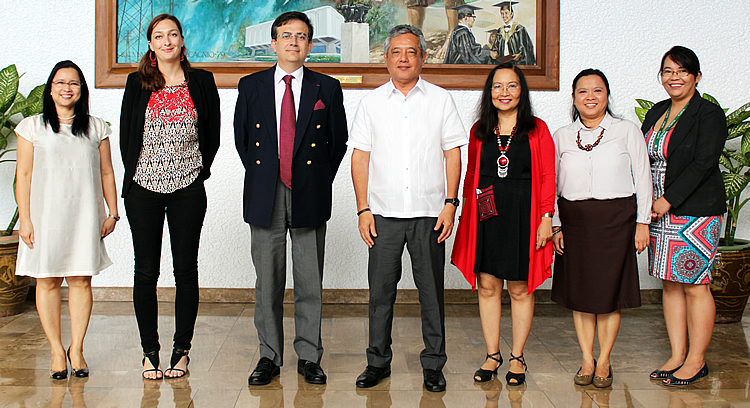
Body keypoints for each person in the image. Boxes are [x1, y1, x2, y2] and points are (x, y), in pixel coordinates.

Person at [349, 25, 467, 393]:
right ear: (385, 58)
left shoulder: (440, 99)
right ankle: (377, 362)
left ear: (422, 57)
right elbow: (361, 158)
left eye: (411, 52)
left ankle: (433, 364)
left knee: (432, 292)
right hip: (382, 213)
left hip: (430, 213)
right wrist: (362, 209)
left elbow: (452, 154)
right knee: (380, 291)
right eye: (396, 52)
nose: (403, 58)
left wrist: (450, 203)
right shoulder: (371, 102)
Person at [234, 11, 348, 386]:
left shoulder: (326, 88)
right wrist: (268, 174)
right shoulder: (250, 86)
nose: (294, 42)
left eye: (301, 36)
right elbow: (242, 141)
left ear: (310, 45)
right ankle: (269, 355)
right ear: (273, 42)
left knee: (308, 279)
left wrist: (315, 179)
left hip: (309, 192)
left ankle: (309, 356)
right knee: (267, 281)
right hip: (265, 192)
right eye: (286, 35)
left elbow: (338, 142)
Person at [120, 13, 220, 380]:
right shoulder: (136, 83)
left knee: (185, 270)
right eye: (158, 36)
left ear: (181, 41)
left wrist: (197, 173)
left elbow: (212, 133)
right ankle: (149, 352)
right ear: (150, 45)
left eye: (172, 34)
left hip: (187, 190)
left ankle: (181, 351)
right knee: (145, 270)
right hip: (143, 189)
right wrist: (133, 180)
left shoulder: (202, 82)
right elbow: (127, 137)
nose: (166, 41)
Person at [451, 62, 555, 386]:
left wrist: (546, 218)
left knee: (520, 288)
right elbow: (471, 175)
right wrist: (465, 214)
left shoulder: (537, 128)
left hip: (524, 215)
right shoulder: (479, 129)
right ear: (489, 92)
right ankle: (492, 354)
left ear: (521, 91)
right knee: (487, 285)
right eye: (498, 86)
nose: (504, 92)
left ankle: (517, 357)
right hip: (486, 216)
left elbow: (548, 176)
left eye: (511, 85)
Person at [15, 60, 118, 379]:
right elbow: (24, 175)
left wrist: (112, 212)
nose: (66, 88)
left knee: (80, 279)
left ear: (82, 90)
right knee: (46, 280)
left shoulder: (96, 126)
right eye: (60, 83)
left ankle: (77, 348)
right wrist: (26, 220)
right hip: (45, 216)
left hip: (84, 214)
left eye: (73, 83)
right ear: (51, 88)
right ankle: (57, 350)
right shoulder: (31, 127)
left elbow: (106, 171)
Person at [551, 69, 652, 388]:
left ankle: (605, 360)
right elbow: (550, 185)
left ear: (607, 96)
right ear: (573, 98)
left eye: (597, 91)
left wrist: (643, 222)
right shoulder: (563, 135)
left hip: (616, 221)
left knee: (609, 295)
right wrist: (555, 225)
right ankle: (586, 359)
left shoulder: (626, 131)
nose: (590, 97)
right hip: (574, 221)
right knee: (581, 295)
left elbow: (644, 177)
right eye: (583, 91)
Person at [642, 46, 726, 387]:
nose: (674, 77)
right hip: (657, 213)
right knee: (671, 284)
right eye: (667, 71)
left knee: (695, 286)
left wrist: (668, 200)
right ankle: (677, 355)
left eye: (682, 71)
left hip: (695, 213)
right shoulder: (657, 112)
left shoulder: (708, 114)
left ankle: (697, 359)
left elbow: (704, 164)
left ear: (696, 76)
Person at [490, 1, 536, 66]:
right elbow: (495, 47)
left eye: (506, 13)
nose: (504, 16)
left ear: (511, 14)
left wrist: (520, 55)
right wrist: (494, 52)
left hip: (516, 64)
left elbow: (526, 49)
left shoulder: (520, 29)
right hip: (502, 64)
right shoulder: (500, 31)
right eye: (502, 13)